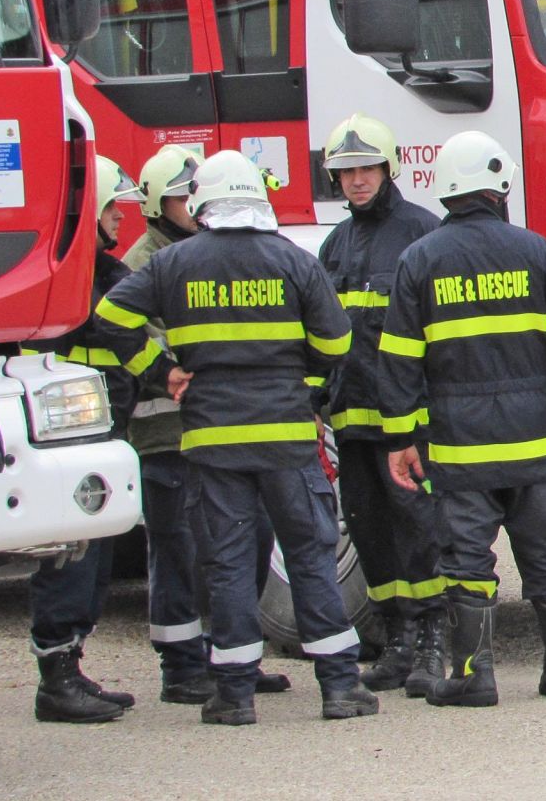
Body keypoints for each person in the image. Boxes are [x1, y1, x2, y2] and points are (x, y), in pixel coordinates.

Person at [93, 150, 377, 724]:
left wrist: (161, 370)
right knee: (309, 558)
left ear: (202, 204)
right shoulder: (292, 261)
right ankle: (341, 687)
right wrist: (304, 380)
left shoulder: (175, 263)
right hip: (286, 440)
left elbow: (110, 316)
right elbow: (338, 342)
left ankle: (234, 695)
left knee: (225, 562)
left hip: (212, 439)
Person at [375, 130, 546, 708]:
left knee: (467, 564)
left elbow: (399, 360)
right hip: (532, 443)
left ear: (446, 194)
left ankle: (475, 676)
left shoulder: (418, 260)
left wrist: (400, 437)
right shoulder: (537, 253)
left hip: (459, 450)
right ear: (500, 188)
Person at [126, 144, 286, 704]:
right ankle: (180, 664)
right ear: (155, 203)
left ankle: (233, 653)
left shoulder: (212, 253)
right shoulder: (146, 262)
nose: (193, 206)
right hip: (166, 433)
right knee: (178, 548)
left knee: (244, 543)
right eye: (180, 198)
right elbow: (128, 331)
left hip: (221, 429)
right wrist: (169, 369)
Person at [20, 157, 155, 723]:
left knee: (93, 558)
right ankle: (56, 678)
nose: (119, 220)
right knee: (70, 558)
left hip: (100, 439)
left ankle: (70, 666)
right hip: (71, 444)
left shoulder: (97, 275)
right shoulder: (73, 282)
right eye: (108, 208)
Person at [315, 113, 446, 697]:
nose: (356, 181)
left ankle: (434, 640)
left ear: (388, 170)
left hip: (409, 424)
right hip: (353, 421)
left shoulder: (423, 232)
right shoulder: (334, 244)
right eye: (345, 172)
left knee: (420, 528)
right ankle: (396, 639)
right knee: (369, 531)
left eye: (365, 168)